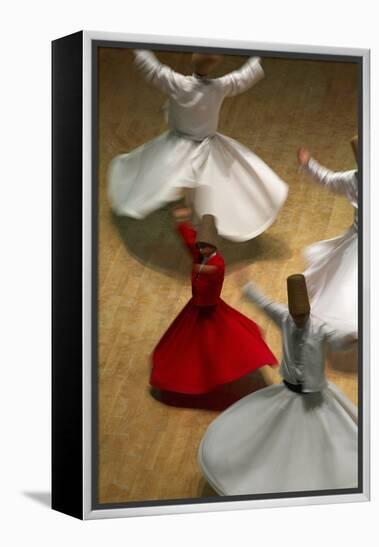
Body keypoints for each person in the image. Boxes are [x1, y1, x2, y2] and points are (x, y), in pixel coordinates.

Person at [198, 274, 358, 495]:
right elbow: (265, 304)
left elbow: (337, 341)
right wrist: (248, 286)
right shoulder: (284, 317)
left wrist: (350, 339)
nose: (299, 320)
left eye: (303, 316)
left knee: (326, 439)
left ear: (309, 312)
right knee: (282, 439)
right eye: (296, 315)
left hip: (315, 396)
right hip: (290, 392)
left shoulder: (321, 328)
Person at [108, 50, 288, 242]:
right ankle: (194, 216)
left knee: (163, 173)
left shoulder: (178, 83)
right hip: (207, 145)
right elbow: (243, 78)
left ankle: (188, 214)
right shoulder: (219, 87)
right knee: (202, 180)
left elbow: (153, 71)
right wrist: (257, 59)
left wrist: (139, 50)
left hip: (178, 145)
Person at [150, 207, 278, 394]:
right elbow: (189, 240)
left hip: (208, 310)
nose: (202, 249)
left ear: (214, 246)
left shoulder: (217, 265)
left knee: (212, 346)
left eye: (205, 246)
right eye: (200, 246)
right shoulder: (201, 254)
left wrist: (203, 270)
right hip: (196, 309)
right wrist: (182, 223)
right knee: (191, 347)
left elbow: (213, 275)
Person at [297, 136, 358, 333]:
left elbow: (327, 179)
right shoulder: (352, 179)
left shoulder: (351, 178)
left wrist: (309, 164)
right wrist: (309, 164)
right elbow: (328, 179)